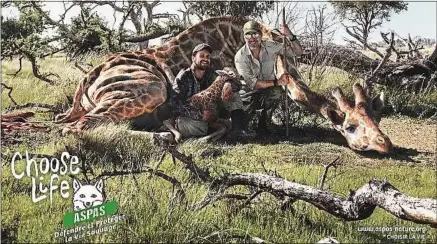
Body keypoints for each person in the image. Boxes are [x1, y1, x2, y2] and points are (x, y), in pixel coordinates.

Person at [234, 20, 304, 135]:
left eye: (255, 34)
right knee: (242, 125)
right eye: (248, 34)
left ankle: (264, 124)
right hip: (248, 92)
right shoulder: (240, 57)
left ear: (261, 35)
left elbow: (298, 52)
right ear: (244, 37)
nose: (252, 38)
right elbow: (253, 84)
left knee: (276, 92)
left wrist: (290, 35)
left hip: (268, 89)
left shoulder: (271, 46)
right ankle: (250, 122)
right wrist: (278, 82)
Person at [168, 43, 247, 140]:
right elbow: (174, 103)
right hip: (192, 119)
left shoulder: (211, 74)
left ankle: (238, 130)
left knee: (233, 92)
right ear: (193, 58)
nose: (205, 59)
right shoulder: (183, 77)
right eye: (201, 56)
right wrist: (200, 115)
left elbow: (238, 85)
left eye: (208, 56)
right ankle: (216, 130)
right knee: (184, 123)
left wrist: (228, 83)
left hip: (212, 113)